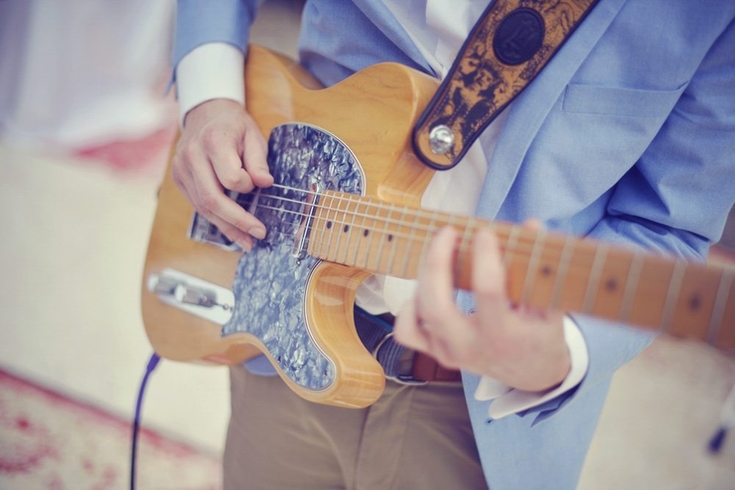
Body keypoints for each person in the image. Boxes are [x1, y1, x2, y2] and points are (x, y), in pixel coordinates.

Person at [170, 1, 735, 488]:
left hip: (479, 419)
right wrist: (208, 96)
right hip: (277, 338)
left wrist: (566, 347)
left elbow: (670, 226)